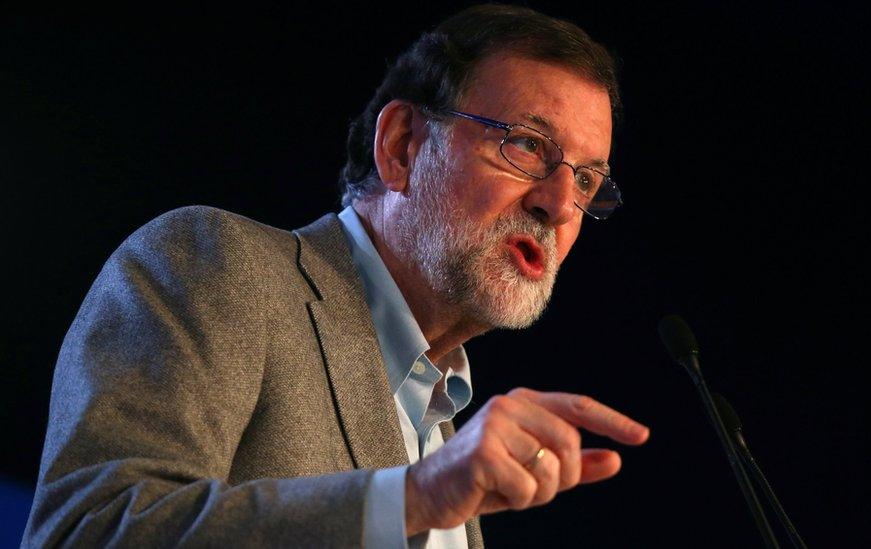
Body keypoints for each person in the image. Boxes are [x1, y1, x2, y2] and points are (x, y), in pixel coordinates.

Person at [22, 4, 649, 548]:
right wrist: (416, 497)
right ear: (403, 146)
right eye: (528, 146)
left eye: (587, 181)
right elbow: (87, 532)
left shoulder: (444, 423)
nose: (561, 205)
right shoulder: (220, 264)